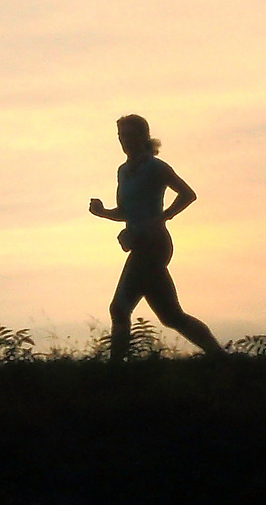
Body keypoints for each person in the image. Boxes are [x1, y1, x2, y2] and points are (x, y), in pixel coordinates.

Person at [88, 114, 224, 360]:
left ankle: (114, 372)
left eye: (130, 135)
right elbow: (126, 212)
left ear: (144, 137)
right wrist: (103, 212)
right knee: (171, 316)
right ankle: (221, 357)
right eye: (121, 136)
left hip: (154, 244)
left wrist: (161, 218)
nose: (125, 141)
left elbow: (187, 194)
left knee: (119, 308)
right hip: (139, 244)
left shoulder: (155, 167)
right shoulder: (123, 172)